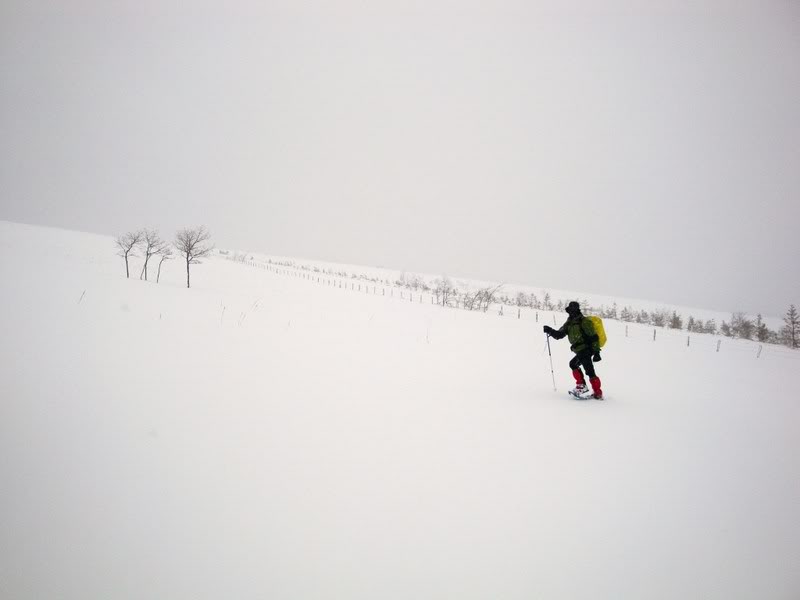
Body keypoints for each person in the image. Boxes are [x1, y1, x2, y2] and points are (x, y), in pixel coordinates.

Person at [543, 301, 604, 399]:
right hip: (579, 350)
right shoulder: (569, 323)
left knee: (588, 370)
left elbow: (594, 337)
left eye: (573, 309)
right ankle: (590, 389)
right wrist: (550, 330)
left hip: (586, 349)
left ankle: (593, 391)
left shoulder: (584, 321)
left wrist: (597, 352)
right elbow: (560, 334)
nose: (571, 311)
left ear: (577, 309)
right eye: (570, 309)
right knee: (577, 366)